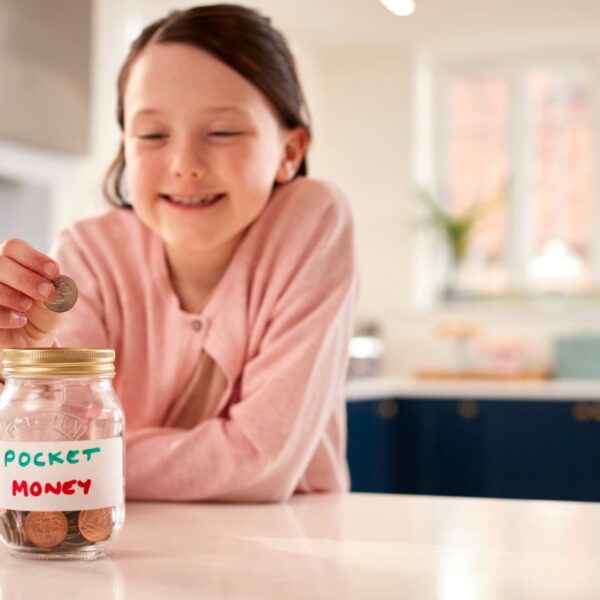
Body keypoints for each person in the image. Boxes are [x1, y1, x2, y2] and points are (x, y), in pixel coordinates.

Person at [0, 4, 358, 502]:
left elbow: (261, 462)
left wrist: (96, 455)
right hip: (132, 543)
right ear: (126, 145)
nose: (185, 164)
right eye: (152, 135)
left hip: (290, 540)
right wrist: (29, 368)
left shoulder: (312, 218)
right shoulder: (90, 248)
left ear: (290, 152)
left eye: (223, 132)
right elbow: (51, 450)